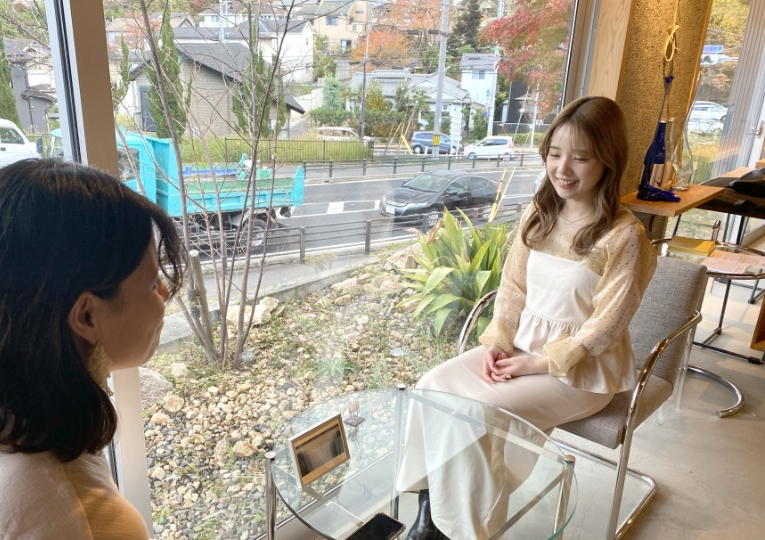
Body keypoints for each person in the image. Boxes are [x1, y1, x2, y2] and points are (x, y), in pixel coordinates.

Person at [397, 96, 658, 540]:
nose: (563, 169)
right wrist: (499, 342)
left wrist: (537, 363)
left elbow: (607, 325)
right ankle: (431, 508)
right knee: (431, 386)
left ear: (608, 161)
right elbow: (513, 289)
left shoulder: (623, 235)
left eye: (580, 158)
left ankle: (462, 531)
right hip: (520, 348)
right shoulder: (539, 214)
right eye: (554, 154)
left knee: (475, 413)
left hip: (579, 372)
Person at [0, 159, 185, 539]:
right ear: (86, 316)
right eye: (152, 283)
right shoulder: (82, 520)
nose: (165, 293)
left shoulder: (23, 418)